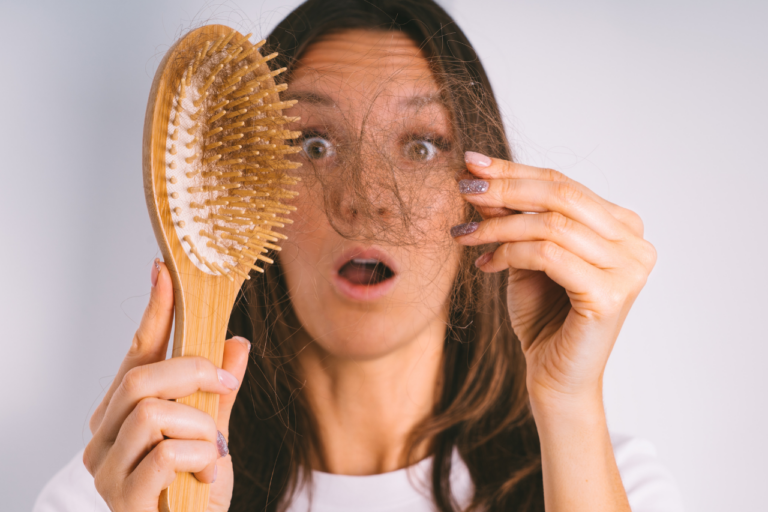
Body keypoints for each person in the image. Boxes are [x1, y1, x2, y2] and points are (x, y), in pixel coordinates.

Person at [34, 1, 684, 511]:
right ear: (245, 190)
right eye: (314, 145)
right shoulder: (115, 490)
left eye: (422, 146)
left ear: (483, 199)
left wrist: (568, 401)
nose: (367, 200)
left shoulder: (606, 479)